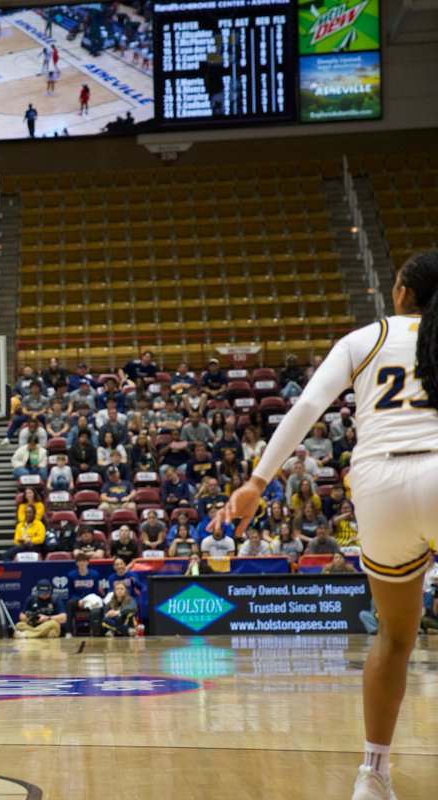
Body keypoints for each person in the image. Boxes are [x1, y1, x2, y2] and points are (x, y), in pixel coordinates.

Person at [219, 251, 438, 800]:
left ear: (402, 294)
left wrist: (257, 481)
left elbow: (306, 409)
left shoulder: (361, 340)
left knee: (393, 637)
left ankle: (374, 774)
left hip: (379, 486)